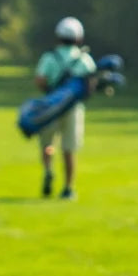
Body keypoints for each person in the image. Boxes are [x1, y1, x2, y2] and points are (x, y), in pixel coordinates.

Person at [34, 16, 98, 200]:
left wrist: (51, 92)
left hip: (50, 107)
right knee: (69, 148)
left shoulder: (49, 57)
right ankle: (68, 188)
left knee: (47, 143)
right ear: (79, 38)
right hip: (73, 109)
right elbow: (90, 85)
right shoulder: (84, 59)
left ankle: (48, 169)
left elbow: (40, 80)